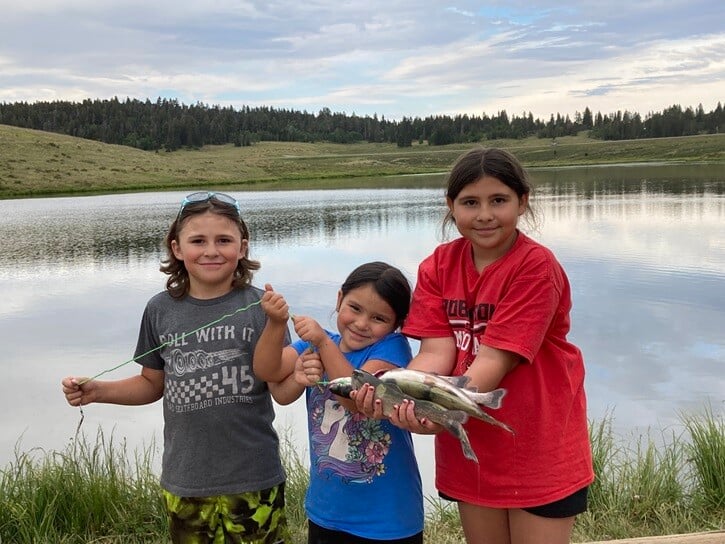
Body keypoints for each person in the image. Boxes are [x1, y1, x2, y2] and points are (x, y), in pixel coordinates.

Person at [354, 148, 595, 544]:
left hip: (539, 448)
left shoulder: (536, 267)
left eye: (498, 200)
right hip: (473, 451)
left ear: (522, 202)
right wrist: (397, 392)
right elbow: (436, 354)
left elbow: (493, 363)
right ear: (451, 206)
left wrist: (434, 412)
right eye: (470, 202)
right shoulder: (438, 265)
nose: (484, 214)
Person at [61, 191, 292, 544]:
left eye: (224, 240)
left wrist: (284, 330)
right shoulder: (160, 310)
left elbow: (278, 380)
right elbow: (152, 384)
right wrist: (99, 391)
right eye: (198, 240)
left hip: (255, 478)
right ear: (177, 248)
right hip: (186, 481)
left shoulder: (263, 306)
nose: (211, 250)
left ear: (242, 248)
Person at [254, 261, 424, 544]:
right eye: (354, 308)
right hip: (327, 513)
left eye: (379, 318)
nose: (361, 324)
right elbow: (267, 371)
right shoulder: (317, 346)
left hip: (388, 519)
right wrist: (276, 323)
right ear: (339, 298)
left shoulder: (391, 349)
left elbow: (356, 398)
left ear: (396, 325)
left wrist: (323, 344)